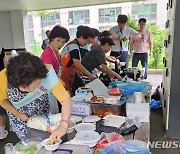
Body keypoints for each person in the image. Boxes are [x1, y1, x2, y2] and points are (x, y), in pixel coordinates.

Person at [0, 53, 72, 143]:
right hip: (19, 115)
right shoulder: (2, 79)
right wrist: (19, 115)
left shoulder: (47, 72)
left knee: (49, 138)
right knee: (30, 143)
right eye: (26, 88)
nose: (32, 90)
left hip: (42, 110)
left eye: (37, 85)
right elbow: (2, 101)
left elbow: (65, 99)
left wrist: (63, 126)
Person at [60, 26, 96, 94]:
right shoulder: (74, 46)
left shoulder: (75, 45)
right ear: (82, 37)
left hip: (68, 74)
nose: (87, 43)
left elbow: (71, 62)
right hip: (64, 75)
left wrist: (77, 71)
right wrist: (90, 76)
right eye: (87, 41)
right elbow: (77, 64)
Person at [0, 47, 8, 139]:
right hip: (1, 81)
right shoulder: (1, 49)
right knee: (1, 111)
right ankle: (1, 133)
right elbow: (6, 66)